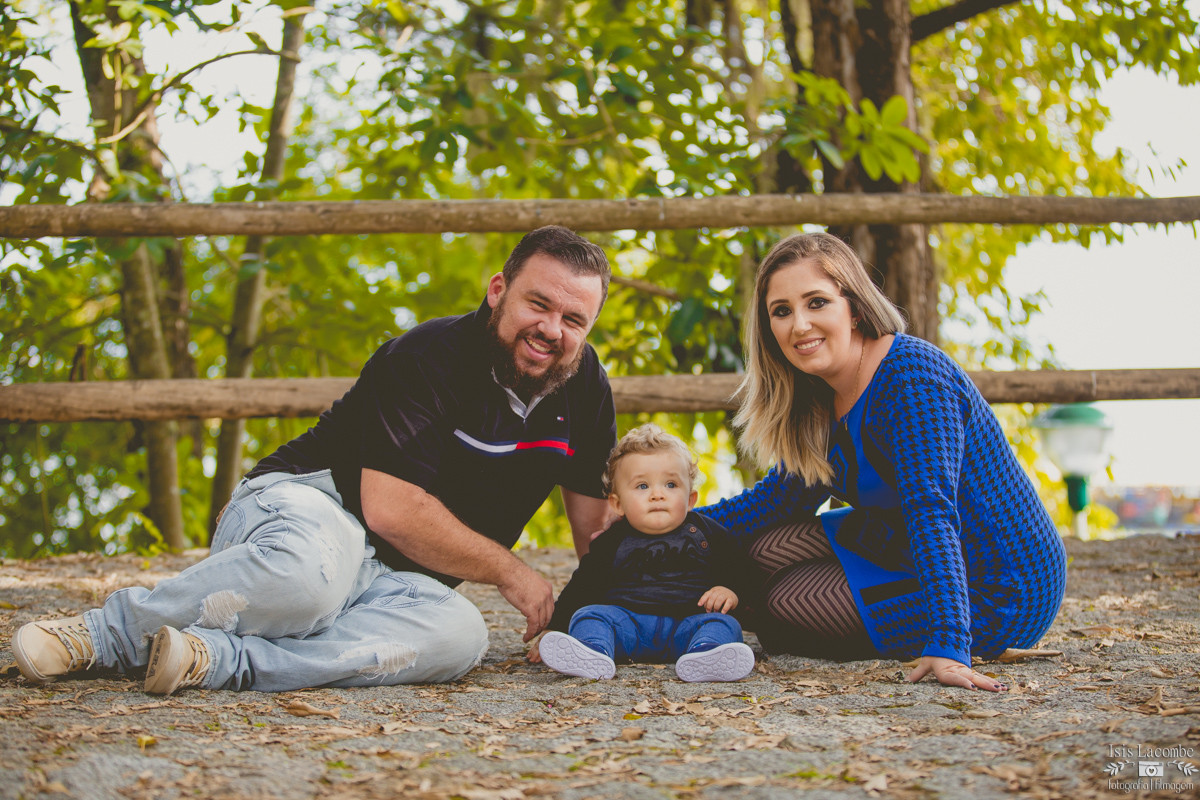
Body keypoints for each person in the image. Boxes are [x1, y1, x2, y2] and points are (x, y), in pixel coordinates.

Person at [12, 225, 617, 694]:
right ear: (497, 290)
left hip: (389, 582)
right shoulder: (427, 356)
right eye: (538, 304)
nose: (551, 329)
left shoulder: (586, 389)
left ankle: (215, 659)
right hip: (308, 508)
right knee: (309, 579)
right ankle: (99, 634)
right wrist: (513, 572)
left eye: (573, 319)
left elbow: (595, 536)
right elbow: (392, 510)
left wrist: (590, 622)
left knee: (458, 638)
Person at [697, 232, 1067, 692]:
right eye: (782, 311)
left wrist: (951, 642)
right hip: (904, 546)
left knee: (783, 603)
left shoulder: (911, 378)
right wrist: (671, 524)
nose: (799, 325)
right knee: (757, 553)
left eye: (816, 302)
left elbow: (931, 513)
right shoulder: (818, 394)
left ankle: (739, 617)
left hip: (998, 585)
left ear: (853, 307)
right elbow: (776, 502)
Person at [533, 424, 757, 683]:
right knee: (589, 615)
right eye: (642, 487)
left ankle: (706, 656)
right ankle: (593, 652)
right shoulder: (611, 542)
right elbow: (583, 585)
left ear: (690, 499)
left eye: (671, 484)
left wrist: (730, 591)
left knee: (725, 625)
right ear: (617, 503)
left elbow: (743, 569)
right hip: (627, 626)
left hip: (689, 624)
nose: (657, 495)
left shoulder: (708, 533)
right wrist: (554, 627)